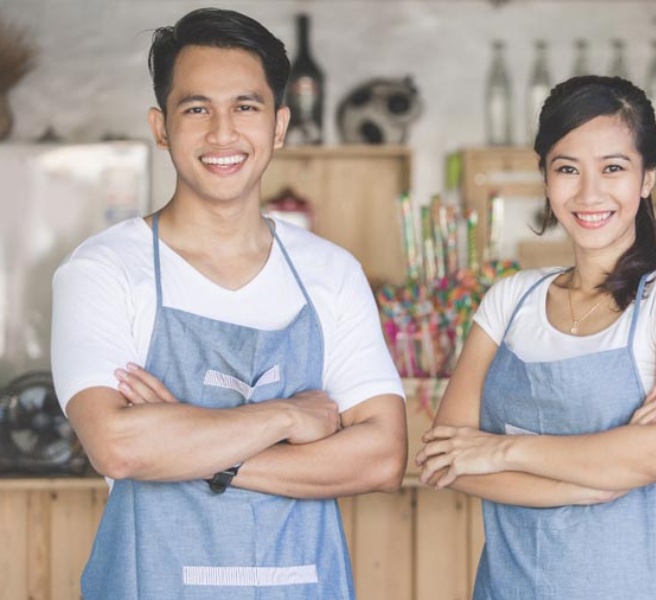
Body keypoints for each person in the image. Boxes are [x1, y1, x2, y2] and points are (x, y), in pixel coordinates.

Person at [50, 8, 407, 599]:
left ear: (279, 125)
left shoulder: (331, 273)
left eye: (245, 106)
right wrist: (288, 418)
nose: (222, 133)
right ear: (161, 127)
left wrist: (202, 449)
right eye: (197, 109)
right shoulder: (104, 270)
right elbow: (117, 445)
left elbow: (381, 457)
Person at [416, 75, 656, 599]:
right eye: (567, 169)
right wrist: (600, 478)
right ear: (546, 180)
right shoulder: (510, 301)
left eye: (614, 168)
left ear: (648, 177)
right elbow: (447, 460)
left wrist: (501, 451)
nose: (589, 193)